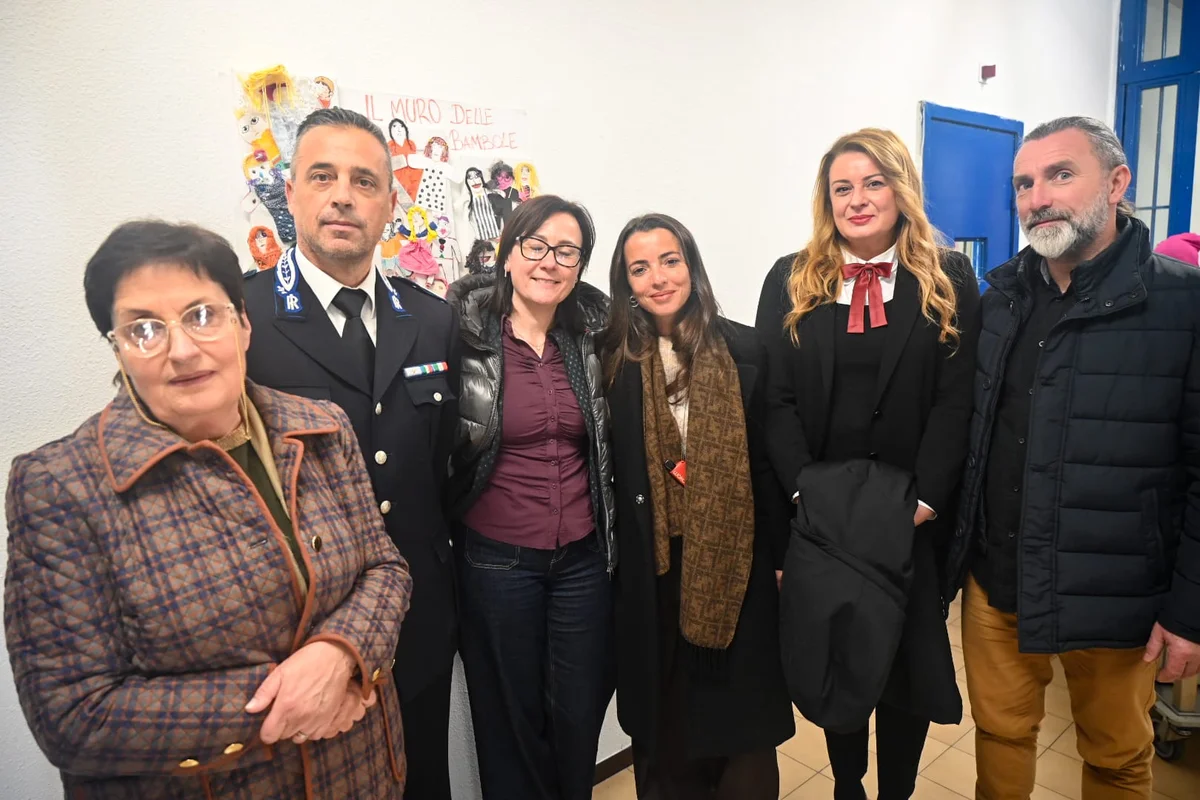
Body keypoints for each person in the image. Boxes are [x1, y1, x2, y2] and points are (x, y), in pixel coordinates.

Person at [4, 220, 411, 799]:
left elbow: (384, 569)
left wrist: (340, 653)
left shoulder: (320, 427)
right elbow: (72, 715)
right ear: (117, 348)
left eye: (202, 315)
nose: (182, 349)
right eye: (144, 329)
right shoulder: (60, 487)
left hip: (363, 772)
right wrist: (289, 700)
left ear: (243, 325)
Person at [947, 116, 1200, 800]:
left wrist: (1188, 612)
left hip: (1118, 595)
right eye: (1023, 183)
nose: (1037, 197)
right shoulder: (999, 298)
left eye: (1060, 174)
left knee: (1117, 758)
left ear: (1117, 183)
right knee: (999, 736)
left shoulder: (1183, 302)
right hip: (998, 582)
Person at [242, 107, 461, 800]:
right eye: (323, 175)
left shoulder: (432, 319)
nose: (343, 194)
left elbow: (451, 463)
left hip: (419, 616)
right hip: (304, 633)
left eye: (364, 181)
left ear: (390, 205)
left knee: (424, 778)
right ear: (293, 193)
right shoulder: (245, 320)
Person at [756, 127, 979, 800]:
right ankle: (848, 785)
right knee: (842, 653)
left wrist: (925, 500)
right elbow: (777, 401)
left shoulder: (948, 277)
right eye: (842, 188)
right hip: (824, 520)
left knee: (904, 668)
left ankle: (896, 792)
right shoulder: (791, 278)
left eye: (873, 183)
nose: (857, 200)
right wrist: (804, 494)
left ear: (901, 187)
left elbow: (956, 398)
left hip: (909, 519)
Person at [601, 213, 795, 799]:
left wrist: (782, 557)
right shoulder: (610, 358)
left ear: (692, 265)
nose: (658, 278)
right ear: (625, 282)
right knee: (667, 729)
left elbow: (767, 463)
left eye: (669, 260)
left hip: (736, 565)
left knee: (742, 732)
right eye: (640, 267)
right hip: (653, 567)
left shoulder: (743, 346)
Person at [446, 195, 615, 800]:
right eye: (536, 245)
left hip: (582, 561)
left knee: (577, 712)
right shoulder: (464, 335)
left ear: (580, 265)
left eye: (567, 251)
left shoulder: (593, 336)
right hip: (497, 561)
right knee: (509, 718)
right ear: (508, 253)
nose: (550, 261)